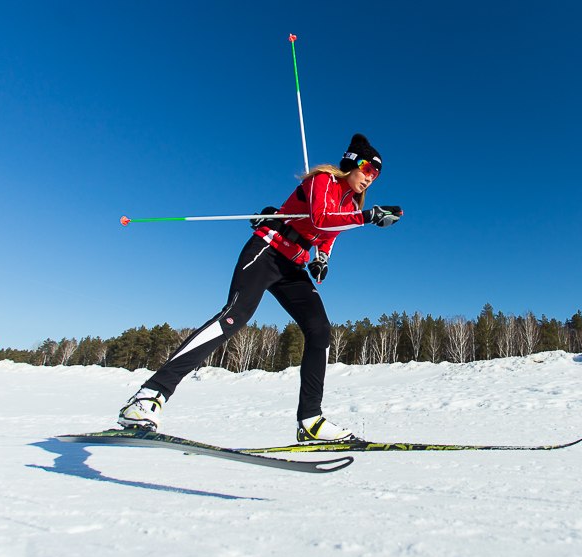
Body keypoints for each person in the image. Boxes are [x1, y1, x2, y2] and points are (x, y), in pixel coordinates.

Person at [117, 133, 403, 442]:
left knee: (320, 330)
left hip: (292, 266)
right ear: (350, 163)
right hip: (267, 250)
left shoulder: (346, 201)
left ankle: (311, 420)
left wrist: (322, 258)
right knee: (234, 317)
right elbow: (321, 220)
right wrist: (369, 216)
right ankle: (148, 397)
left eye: (377, 174)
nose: (371, 179)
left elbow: (327, 235)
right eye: (368, 169)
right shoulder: (323, 180)